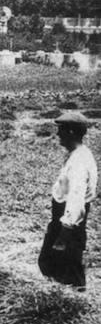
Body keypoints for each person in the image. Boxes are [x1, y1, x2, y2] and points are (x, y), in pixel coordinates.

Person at [38, 111, 98, 290]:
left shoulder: (79, 162)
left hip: (69, 221)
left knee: (68, 267)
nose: (58, 135)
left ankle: (73, 306)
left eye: (61, 130)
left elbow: (76, 200)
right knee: (51, 263)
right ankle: (63, 302)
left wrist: (64, 234)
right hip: (63, 219)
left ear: (71, 132)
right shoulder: (78, 155)